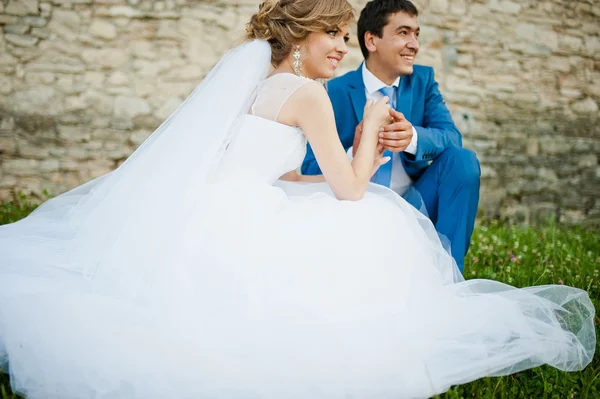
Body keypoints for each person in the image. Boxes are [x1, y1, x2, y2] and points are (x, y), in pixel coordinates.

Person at [0, 0, 595, 398]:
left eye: (343, 36)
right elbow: (353, 187)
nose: (340, 48)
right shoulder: (309, 96)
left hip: (220, 205)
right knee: (372, 221)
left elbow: (274, 175)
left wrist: (326, 174)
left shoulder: (259, 84)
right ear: (300, 39)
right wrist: (368, 128)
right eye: (331, 36)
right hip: (249, 215)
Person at [302, 0, 480, 273]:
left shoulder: (424, 80)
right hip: (357, 207)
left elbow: (451, 137)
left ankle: (449, 275)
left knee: (462, 160)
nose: (414, 44)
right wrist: (355, 152)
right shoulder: (334, 90)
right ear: (372, 41)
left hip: (414, 203)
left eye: (416, 34)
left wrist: (412, 139)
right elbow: (309, 166)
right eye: (403, 33)